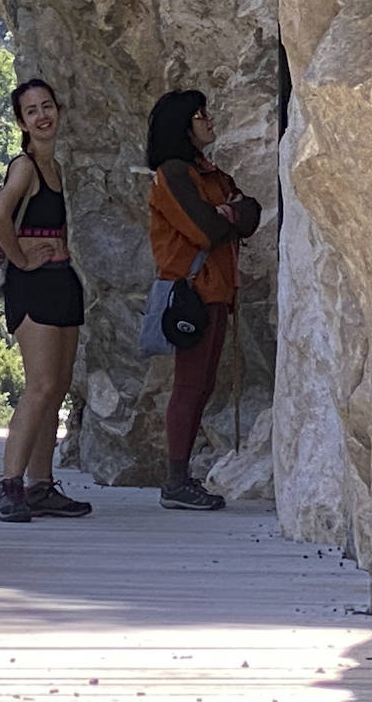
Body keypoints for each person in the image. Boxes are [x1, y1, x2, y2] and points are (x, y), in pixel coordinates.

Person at [146, 90, 260, 511]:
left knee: (202, 384)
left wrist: (230, 214)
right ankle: (176, 480)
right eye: (199, 116)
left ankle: (182, 477)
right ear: (183, 126)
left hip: (213, 290)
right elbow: (206, 228)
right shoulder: (174, 173)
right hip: (192, 293)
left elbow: (251, 210)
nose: (209, 120)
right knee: (191, 385)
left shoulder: (206, 173)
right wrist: (228, 215)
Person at [0, 79, 92, 523]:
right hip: (34, 287)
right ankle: (10, 485)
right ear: (21, 122)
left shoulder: (56, 169)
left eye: (47, 106)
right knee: (41, 385)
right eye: (31, 111)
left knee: (58, 387)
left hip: (62, 281)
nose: (42, 116)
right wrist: (21, 261)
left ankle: (42, 485)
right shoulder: (25, 167)